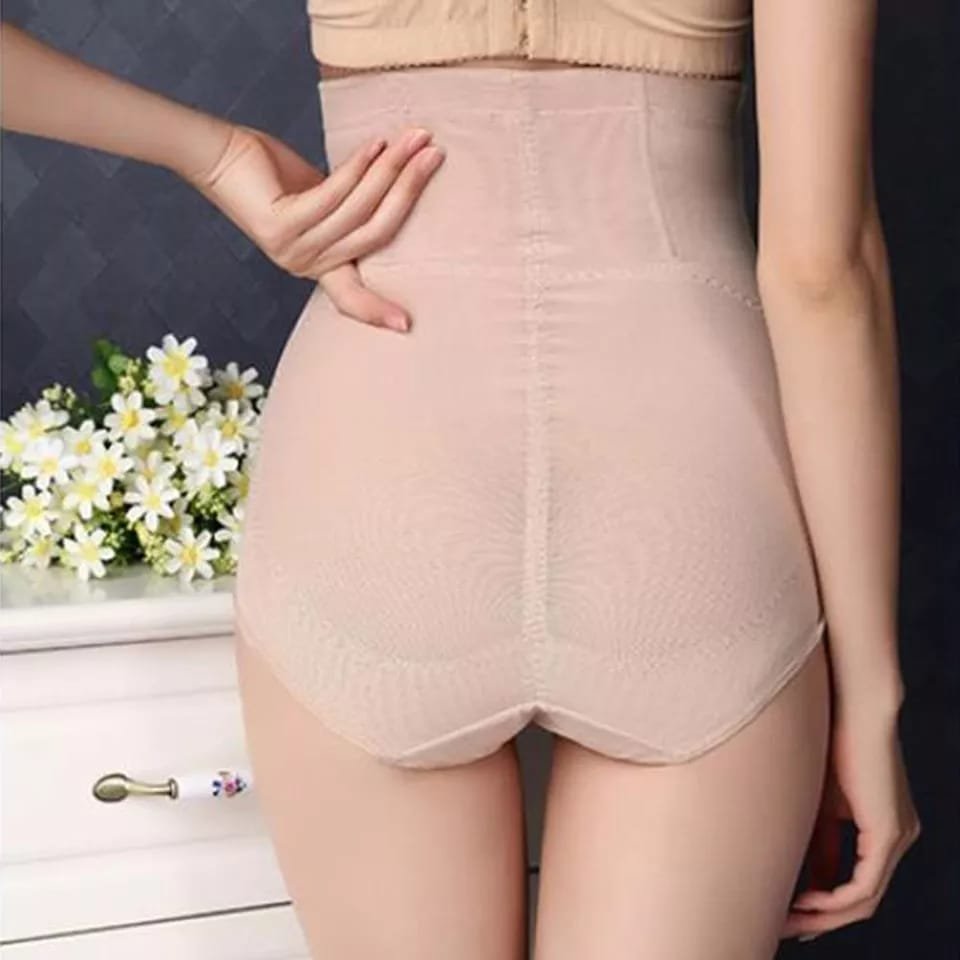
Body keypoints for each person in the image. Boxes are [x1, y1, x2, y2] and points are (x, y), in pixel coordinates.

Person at [1, 2, 921, 956]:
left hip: (378, 467)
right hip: (690, 495)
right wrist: (869, 700)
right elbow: (823, 272)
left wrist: (216, 154)